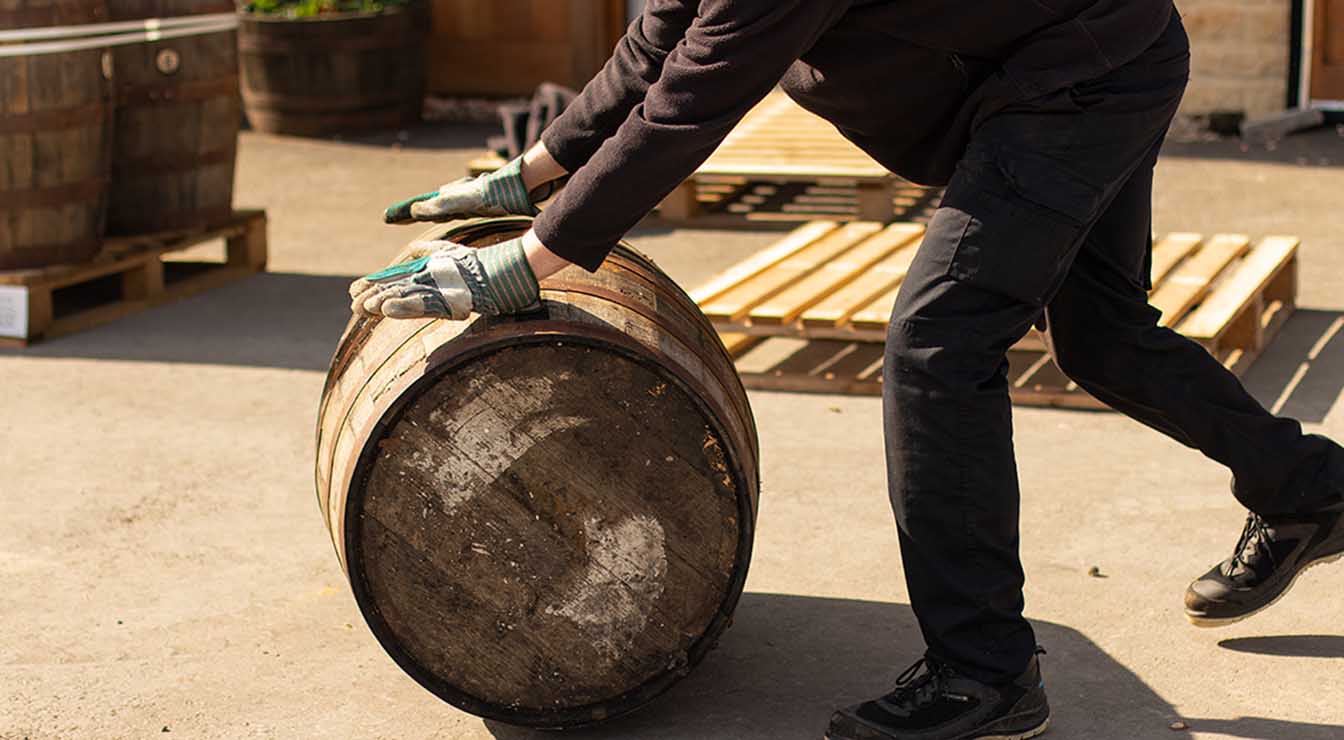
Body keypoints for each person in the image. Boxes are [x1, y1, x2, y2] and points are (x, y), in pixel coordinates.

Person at [349, 1, 1344, 737]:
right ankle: (1309, 489)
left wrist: (529, 257)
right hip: (1076, 58)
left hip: (1077, 77)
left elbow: (690, 109)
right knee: (1102, 335)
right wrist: (525, 176)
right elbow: (656, 46)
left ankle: (985, 670)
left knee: (939, 339)